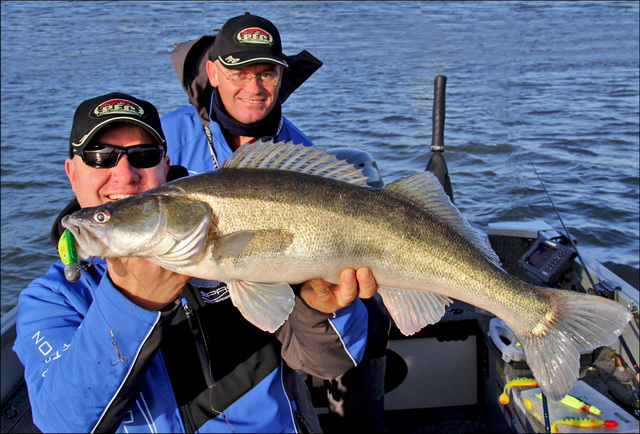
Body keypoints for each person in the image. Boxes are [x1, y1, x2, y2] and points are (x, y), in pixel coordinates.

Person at [13, 92, 378, 433]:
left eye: (144, 156)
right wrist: (131, 303)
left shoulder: (219, 244)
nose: (124, 174)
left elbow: (329, 365)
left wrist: (317, 312)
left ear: (165, 166)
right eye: (99, 157)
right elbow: (64, 422)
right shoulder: (51, 299)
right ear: (71, 171)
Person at [161, 12, 391, 432]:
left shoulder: (299, 151)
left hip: (270, 315)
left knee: (368, 320)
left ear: (281, 77)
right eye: (239, 72)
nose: (254, 87)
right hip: (180, 314)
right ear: (213, 72)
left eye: (266, 73)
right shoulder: (163, 137)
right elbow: (115, 193)